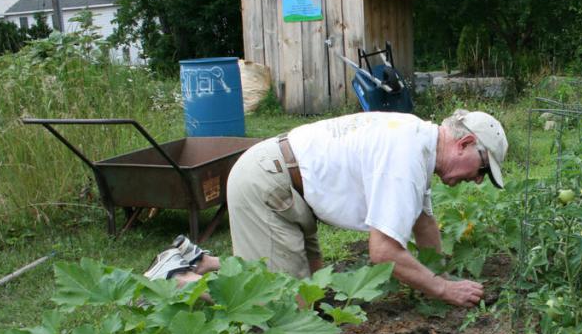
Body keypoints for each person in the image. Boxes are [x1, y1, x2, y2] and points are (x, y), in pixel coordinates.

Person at [144, 109, 507, 308]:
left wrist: (439, 275)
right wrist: (443, 290)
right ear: (465, 143)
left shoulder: (419, 142)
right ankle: (175, 281)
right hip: (271, 186)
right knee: (284, 311)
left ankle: (203, 262)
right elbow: (383, 254)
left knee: (314, 292)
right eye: (481, 170)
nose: (477, 180)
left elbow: (424, 224)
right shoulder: (407, 155)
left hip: (293, 192)